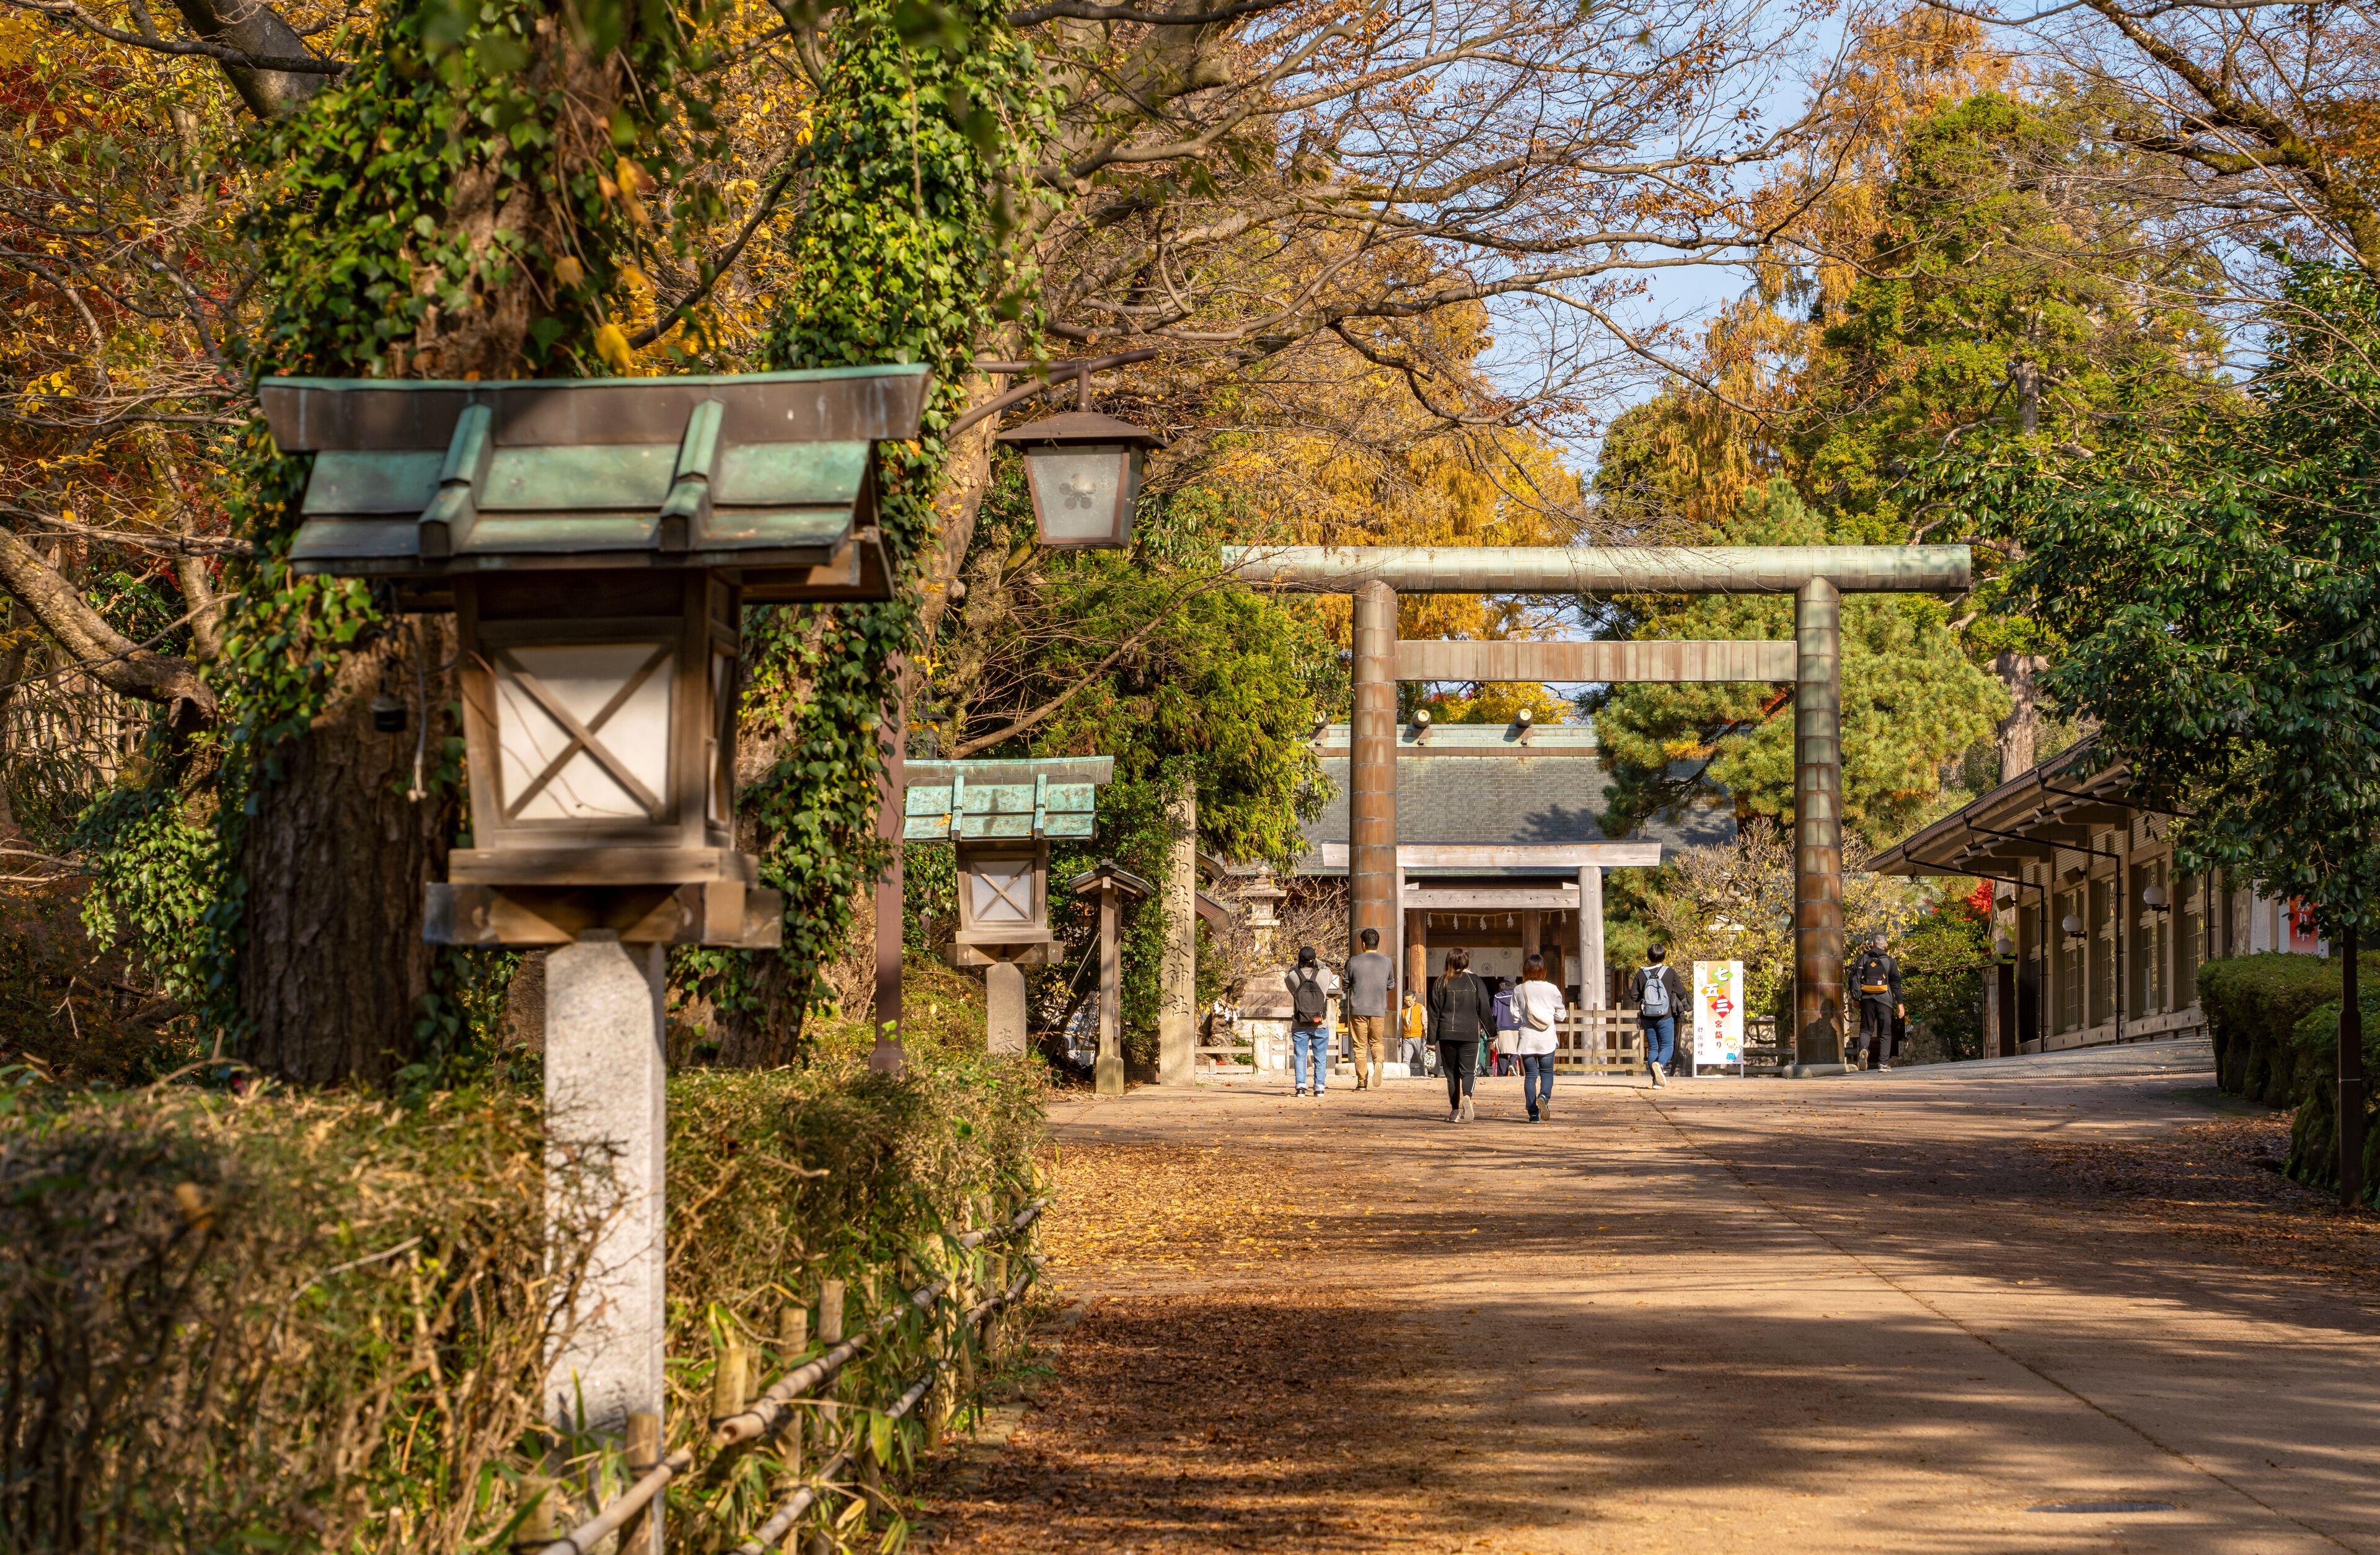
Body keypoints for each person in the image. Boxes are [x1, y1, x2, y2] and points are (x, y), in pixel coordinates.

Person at [1429, 948, 1495, 1122]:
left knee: (1451, 1074)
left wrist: (1430, 1041)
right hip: (1469, 1033)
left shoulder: (1440, 982)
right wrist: (1492, 1033)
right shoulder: (1475, 981)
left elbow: (1433, 1013)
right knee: (1468, 1072)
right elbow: (1484, 1008)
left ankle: (1455, 1111)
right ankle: (1468, 1096)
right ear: (1466, 962)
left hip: (1446, 1033)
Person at [1512, 953, 1566, 1122]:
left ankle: (1533, 1113)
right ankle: (1544, 1096)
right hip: (1547, 1038)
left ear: (1526, 970)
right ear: (1544, 970)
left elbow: (1514, 1015)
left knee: (1530, 1076)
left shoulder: (1519, 989)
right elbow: (1561, 1016)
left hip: (1527, 1038)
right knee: (1547, 1073)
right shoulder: (1552, 989)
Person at [1342, 927, 1396, 1091]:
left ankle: (1362, 1082)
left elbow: (1345, 983)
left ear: (1363, 944)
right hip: (1378, 1009)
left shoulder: (1353, 961)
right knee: (1376, 1042)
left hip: (1358, 1009)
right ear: (1377, 943)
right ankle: (1378, 1062)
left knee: (1360, 1046)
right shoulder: (1387, 962)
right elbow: (1391, 984)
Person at [1629, 946, 1688, 1089]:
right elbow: (1680, 991)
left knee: (1653, 1047)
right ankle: (1660, 1065)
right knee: (1668, 1046)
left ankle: (1656, 1081)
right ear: (1664, 957)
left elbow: (1634, 996)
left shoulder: (1641, 973)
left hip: (1647, 1017)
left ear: (1648, 956)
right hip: (1665, 1016)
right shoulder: (1669, 972)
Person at [1285, 946, 1339, 1098]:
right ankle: (1319, 1087)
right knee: (1320, 1056)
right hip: (1320, 1022)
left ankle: (1301, 1087)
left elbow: (1289, 975)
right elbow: (1326, 968)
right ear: (1315, 959)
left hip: (1299, 1022)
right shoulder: (1324, 975)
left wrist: (1298, 966)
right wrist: (1318, 963)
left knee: (1300, 1055)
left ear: (1299, 960)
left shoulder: (1293, 977)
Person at [1850, 933, 1904, 1071]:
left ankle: (1863, 1049)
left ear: (1872, 944)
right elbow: (1896, 983)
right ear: (1886, 945)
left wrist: (1855, 998)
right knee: (1886, 1032)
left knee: (1866, 1029)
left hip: (1867, 999)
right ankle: (1883, 1064)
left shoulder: (1863, 959)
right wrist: (1900, 1004)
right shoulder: (1890, 961)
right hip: (1885, 1000)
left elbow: (1853, 978)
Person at [1491, 977, 1520, 1076]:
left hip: (1501, 1027)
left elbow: (1494, 1014)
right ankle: (1512, 1062)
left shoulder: (1497, 997)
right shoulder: (1518, 997)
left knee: (1502, 1052)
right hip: (1516, 1026)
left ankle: (1502, 1076)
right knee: (1518, 1049)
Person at [1399, 988, 1432, 1073]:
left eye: (1409, 1000)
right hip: (1407, 1037)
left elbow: (1426, 1022)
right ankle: (1405, 1076)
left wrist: (1427, 1036)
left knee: (1422, 1059)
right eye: (1406, 1000)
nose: (1408, 1002)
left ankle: (1424, 1076)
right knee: (1406, 1059)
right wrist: (1399, 1038)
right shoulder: (1403, 1010)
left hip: (1419, 1036)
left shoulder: (1421, 1008)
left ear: (1414, 999)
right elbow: (1400, 1025)